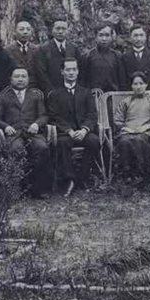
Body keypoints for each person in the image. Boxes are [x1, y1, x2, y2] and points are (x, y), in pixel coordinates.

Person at [47, 59, 101, 197]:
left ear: (78, 71)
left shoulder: (86, 92)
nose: (71, 72)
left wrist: (84, 130)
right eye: (68, 70)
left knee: (95, 141)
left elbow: (92, 115)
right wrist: (69, 131)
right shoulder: (55, 94)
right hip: (65, 133)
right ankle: (69, 179)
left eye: (74, 69)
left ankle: (82, 177)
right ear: (62, 72)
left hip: (84, 132)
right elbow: (54, 117)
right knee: (62, 143)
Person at [0, 67, 51, 199]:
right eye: (17, 76)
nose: (20, 79)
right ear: (11, 79)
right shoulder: (4, 97)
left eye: (23, 76)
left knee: (42, 148)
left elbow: (44, 116)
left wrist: (37, 124)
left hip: (33, 133)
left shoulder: (35, 96)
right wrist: (5, 126)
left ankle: (39, 189)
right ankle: (17, 189)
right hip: (14, 134)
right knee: (16, 149)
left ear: (28, 79)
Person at [112, 72, 150, 186]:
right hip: (127, 132)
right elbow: (117, 121)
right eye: (135, 84)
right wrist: (127, 129)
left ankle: (141, 174)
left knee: (139, 140)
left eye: (141, 83)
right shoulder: (126, 101)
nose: (138, 86)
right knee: (125, 141)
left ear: (146, 85)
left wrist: (145, 127)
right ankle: (127, 174)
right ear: (131, 86)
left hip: (145, 133)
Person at [34, 17, 80, 96]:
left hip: (71, 91)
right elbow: (41, 72)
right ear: (52, 30)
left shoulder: (74, 48)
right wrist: (50, 90)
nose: (60, 31)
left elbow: (79, 69)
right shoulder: (43, 49)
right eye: (57, 28)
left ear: (67, 31)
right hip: (51, 92)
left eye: (63, 29)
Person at [80, 24, 126, 93]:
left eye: (107, 35)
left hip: (113, 95)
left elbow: (122, 82)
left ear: (111, 37)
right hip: (93, 96)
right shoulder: (87, 56)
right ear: (96, 37)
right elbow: (83, 82)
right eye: (101, 35)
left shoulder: (117, 56)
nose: (104, 39)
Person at [121, 26, 150, 90]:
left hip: (149, 93)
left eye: (141, 35)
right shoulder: (124, 57)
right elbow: (123, 80)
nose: (139, 39)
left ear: (145, 37)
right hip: (130, 93)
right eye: (135, 35)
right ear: (130, 38)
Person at [4, 19, 39, 89]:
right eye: (22, 29)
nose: (25, 32)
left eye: (28, 29)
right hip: (13, 88)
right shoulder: (7, 50)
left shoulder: (37, 50)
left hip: (33, 88)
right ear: (15, 32)